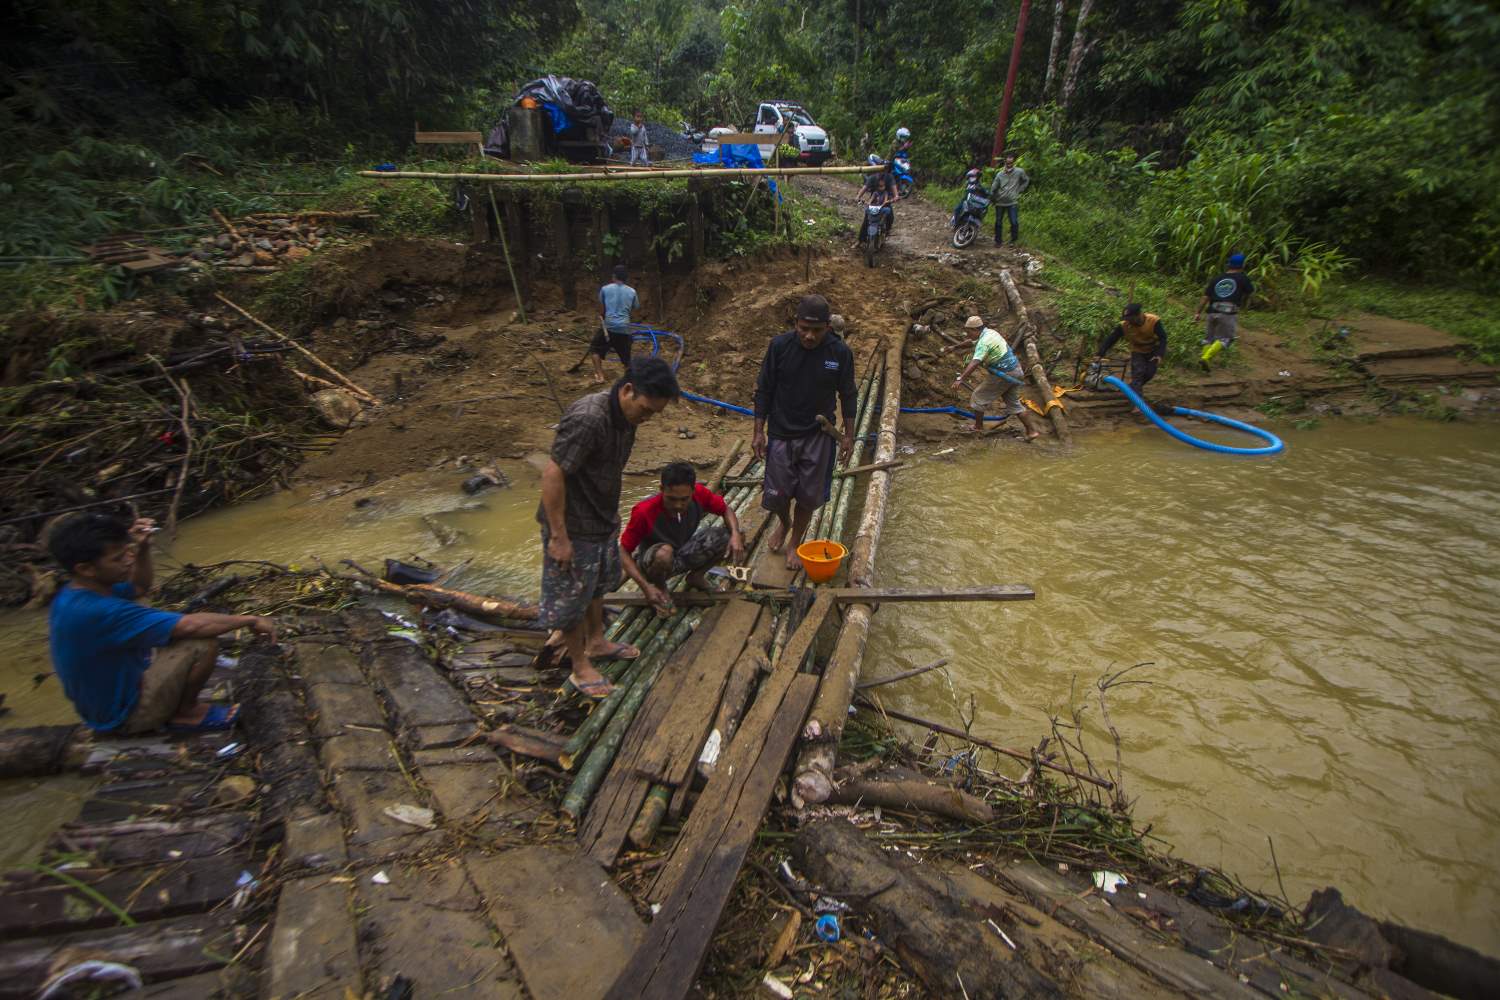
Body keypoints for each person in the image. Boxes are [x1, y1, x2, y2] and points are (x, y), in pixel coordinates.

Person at [46, 512, 276, 734]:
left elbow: (138, 588)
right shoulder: (99, 611)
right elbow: (191, 626)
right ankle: (186, 713)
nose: (128, 560)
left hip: (102, 707)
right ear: (85, 568)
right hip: (125, 716)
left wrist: (143, 548)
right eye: (117, 558)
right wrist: (249, 619)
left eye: (128, 552)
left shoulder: (76, 592)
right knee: (200, 642)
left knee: (148, 608)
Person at [538, 356, 679, 698]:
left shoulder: (627, 420)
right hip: (572, 525)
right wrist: (559, 536)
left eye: (652, 414)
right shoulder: (589, 418)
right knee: (573, 596)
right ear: (628, 390)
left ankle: (597, 641)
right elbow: (553, 473)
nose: (646, 418)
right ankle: (579, 666)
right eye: (645, 409)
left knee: (598, 584)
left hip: (601, 519)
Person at [753, 294, 857, 570]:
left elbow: (848, 394)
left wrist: (848, 435)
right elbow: (764, 389)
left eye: (817, 330)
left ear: (828, 327)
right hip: (780, 431)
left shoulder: (839, 353)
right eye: (804, 329)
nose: (809, 336)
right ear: (795, 323)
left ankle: (796, 541)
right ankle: (784, 523)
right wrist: (758, 431)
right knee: (776, 495)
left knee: (808, 496)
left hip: (818, 434)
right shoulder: (779, 347)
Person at [619, 462, 745, 614]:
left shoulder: (700, 493)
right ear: (661, 490)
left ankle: (696, 576)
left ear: (693, 490)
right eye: (671, 499)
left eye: (684, 499)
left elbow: (726, 510)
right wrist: (646, 587)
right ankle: (660, 587)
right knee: (664, 553)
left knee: (732, 536)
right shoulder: (644, 511)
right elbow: (623, 551)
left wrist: (736, 535)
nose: (678, 505)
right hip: (653, 564)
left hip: (680, 553)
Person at [952, 316, 1042, 439]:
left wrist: (961, 378)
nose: (968, 335)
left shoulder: (984, 342)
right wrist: (954, 347)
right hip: (1016, 371)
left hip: (1004, 374)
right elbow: (970, 342)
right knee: (1013, 404)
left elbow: (975, 361)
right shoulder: (990, 333)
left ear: (975, 330)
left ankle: (978, 427)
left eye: (969, 332)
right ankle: (1032, 431)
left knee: (978, 396)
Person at [1097, 303, 1168, 394]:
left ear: (1138, 315)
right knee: (1138, 374)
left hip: (1153, 351)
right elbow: (1112, 339)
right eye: (1126, 319)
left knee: (1149, 373)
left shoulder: (1153, 321)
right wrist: (1100, 353)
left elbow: (1163, 338)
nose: (1128, 322)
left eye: (1130, 319)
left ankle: (1130, 389)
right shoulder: (1124, 325)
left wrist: (1159, 354)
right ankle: (1136, 404)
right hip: (1137, 351)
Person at [592, 265, 640, 384]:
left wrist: (603, 316)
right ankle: (629, 381)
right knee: (626, 359)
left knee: (595, 350)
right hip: (624, 328)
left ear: (614, 276)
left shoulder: (605, 289)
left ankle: (600, 375)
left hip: (608, 327)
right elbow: (635, 307)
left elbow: (602, 310)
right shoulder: (632, 291)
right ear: (626, 278)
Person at [1195, 252, 1254, 348]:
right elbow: (1249, 292)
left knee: (1208, 339)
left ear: (1229, 264)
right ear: (1242, 265)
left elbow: (1206, 297)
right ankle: (1206, 357)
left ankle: (1204, 359)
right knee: (1225, 340)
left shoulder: (1217, 278)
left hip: (1212, 311)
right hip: (1228, 313)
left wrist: (1198, 312)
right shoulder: (1243, 278)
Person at [855, 156, 900, 244]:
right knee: (866, 220)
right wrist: (858, 197)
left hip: (885, 202)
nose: (883, 171)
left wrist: (896, 197)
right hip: (874, 202)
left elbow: (894, 190)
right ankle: (860, 240)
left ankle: (887, 232)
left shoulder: (889, 177)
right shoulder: (872, 178)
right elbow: (864, 188)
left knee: (890, 216)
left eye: (885, 169)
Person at [989, 153, 1030, 245]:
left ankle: (1013, 240)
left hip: (1012, 202)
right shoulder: (999, 175)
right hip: (1000, 202)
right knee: (998, 222)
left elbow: (1026, 180)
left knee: (1014, 222)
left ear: (1013, 162)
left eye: (1011, 163)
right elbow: (993, 188)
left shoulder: (1019, 172)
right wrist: (992, 198)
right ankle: (998, 241)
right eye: (1008, 163)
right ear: (1005, 162)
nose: (1009, 165)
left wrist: (1020, 189)